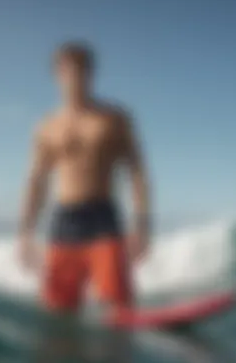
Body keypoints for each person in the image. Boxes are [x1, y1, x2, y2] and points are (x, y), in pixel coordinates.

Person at [19, 41, 151, 316]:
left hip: (103, 218)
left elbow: (137, 172)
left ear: (92, 74)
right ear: (57, 75)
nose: (76, 79)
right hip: (64, 220)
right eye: (68, 72)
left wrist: (142, 223)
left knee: (118, 306)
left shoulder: (114, 119)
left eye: (82, 71)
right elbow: (36, 182)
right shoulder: (47, 126)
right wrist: (25, 233)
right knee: (58, 312)